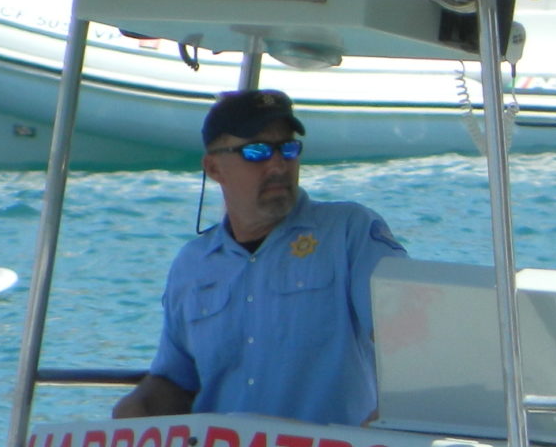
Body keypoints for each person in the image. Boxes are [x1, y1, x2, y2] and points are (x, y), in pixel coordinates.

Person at [112, 90, 406, 427]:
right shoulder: (192, 265)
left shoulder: (350, 233)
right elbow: (177, 380)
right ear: (213, 167)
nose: (278, 165)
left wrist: (378, 436)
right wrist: (135, 413)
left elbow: (408, 338)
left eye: (289, 149)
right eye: (257, 152)